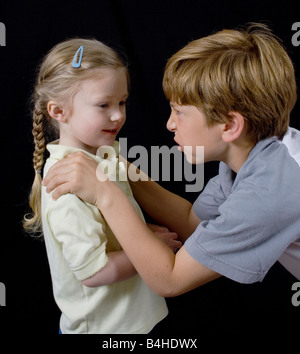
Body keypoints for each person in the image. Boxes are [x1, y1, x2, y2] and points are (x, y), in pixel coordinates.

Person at [42, 24, 300, 298]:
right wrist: (116, 167)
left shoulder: (271, 188)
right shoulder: (252, 158)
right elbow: (192, 223)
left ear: (229, 125)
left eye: (179, 112)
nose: (170, 123)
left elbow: (171, 280)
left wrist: (105, 192)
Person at [23, 38, 182, 334]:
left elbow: (108, 230)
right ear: (58, 112)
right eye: (103, 105)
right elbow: (93, 271)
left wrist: (143, 235)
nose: (118, 115)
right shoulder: (66, 184)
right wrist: (153, 249)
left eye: (122, 102)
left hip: (131, 323)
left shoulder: (103, 156)